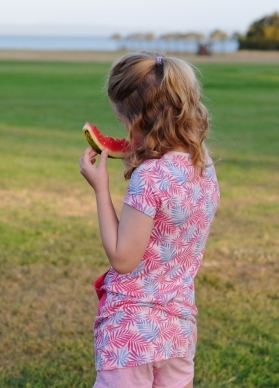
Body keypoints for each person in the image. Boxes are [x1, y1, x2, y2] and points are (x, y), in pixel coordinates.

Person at [79, 51, 220, 388]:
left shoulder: (150, 175)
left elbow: (123, 258)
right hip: (178, 329)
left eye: (124, 123)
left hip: (131, 332)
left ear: (138, 120)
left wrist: (101, 188)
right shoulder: (204, 165)